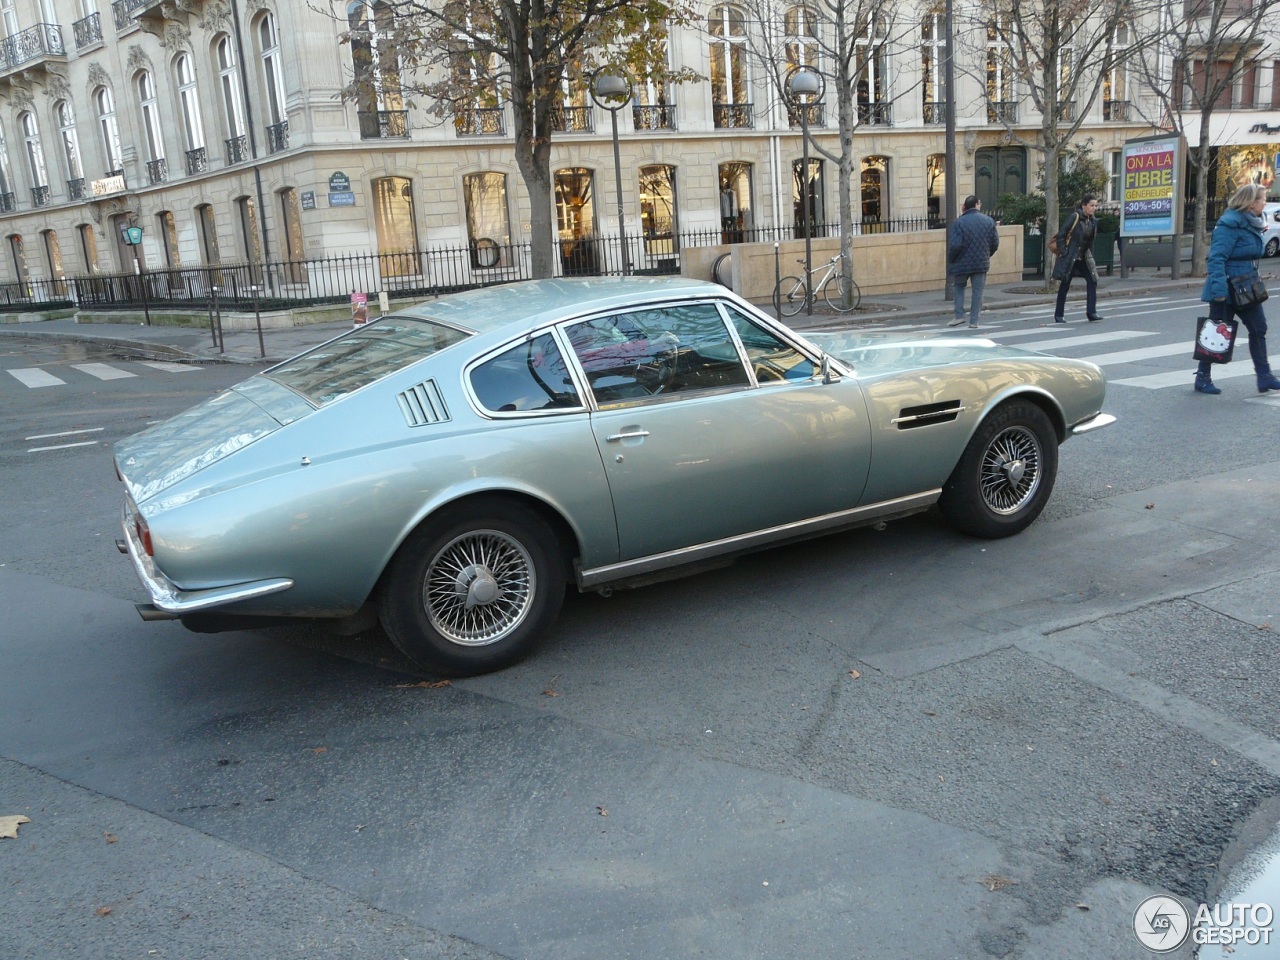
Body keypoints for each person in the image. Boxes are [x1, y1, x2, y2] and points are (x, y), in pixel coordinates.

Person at [1194, 182, 1280, 395]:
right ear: (1251, 203)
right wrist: (1219, 290)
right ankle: (1203, 377)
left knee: (1259, 328)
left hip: (1247, 285)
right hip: (1227, 287)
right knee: (1215, 333)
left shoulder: (1253, 222)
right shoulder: (1230, 224)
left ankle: (1265, 376)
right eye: (1262, 199)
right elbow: (1216, 258)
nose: (1265, 202)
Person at [947, 195, 1000, 328]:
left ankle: (959, 316)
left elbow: (955, 245)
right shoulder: (988, 221)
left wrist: (952, 260)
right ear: (976, 204)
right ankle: (974, 320)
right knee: (978, 291)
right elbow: (995, 243)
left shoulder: (959, 222)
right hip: (981, 262)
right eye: (980, 203)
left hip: (961, 263)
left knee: (959, 287)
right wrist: (987, 254)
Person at [1051, 195, 1104, 324]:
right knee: (1065, 284)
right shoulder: (1074, 217)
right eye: (1092, 205)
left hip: (1084, 256)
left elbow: (1090, 241)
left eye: (1096, 206)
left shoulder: (1092, 221)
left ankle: (1092, 312)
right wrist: (1064, 252)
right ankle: (1059, 315)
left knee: (1092, 281)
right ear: (1084, 206)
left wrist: (1090, 255)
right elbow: (1061, 235)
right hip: (1071, 256)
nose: (1094, 208)